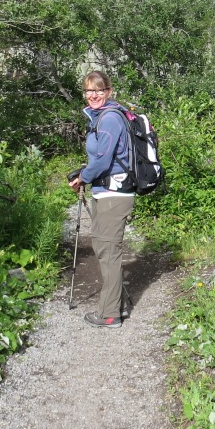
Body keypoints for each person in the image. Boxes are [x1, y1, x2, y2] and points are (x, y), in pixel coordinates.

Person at [68, 70, 134, 329]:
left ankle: (110, 314)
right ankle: (117, 304)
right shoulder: (103, 116)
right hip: (107, 191)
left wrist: (83, 177)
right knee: (106, 249)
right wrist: (85, 173)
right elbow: (102, 158)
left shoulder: (109, 119)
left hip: (113, 193)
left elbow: (103, 161)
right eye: (89, 90)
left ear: (109, 91)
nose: (93, 95)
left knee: (108, 252)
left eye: (99, 90)